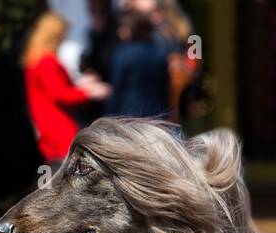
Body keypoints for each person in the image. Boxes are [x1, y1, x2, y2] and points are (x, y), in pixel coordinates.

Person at [22, 12, 110, 167]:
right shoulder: (46, 61)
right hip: (58, 123)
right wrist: (89, 92)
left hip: (46, 121)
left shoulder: (33, 60)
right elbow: (60, 94)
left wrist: (81, 84)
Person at [105, 10, 172, 120]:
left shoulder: (123, 53)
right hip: (157, 113)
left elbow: (117, 88)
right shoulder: (161, 52)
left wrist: (109, 115)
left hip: (129, 114)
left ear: (131, 29)